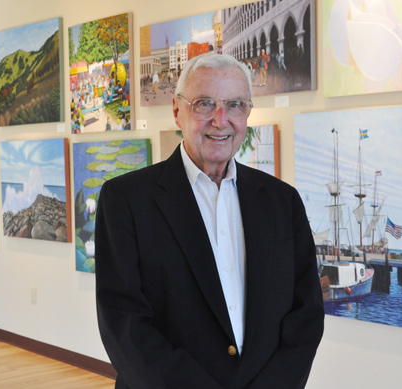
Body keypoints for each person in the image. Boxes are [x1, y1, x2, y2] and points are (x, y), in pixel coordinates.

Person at [95, 53, 324, 388]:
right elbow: (125, 326)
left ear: (247, 112)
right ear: (177, 111)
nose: (221, 120)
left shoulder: (282, 201)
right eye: (204, 104)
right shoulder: (127, 200)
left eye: (235, 105)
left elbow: (305, 314)